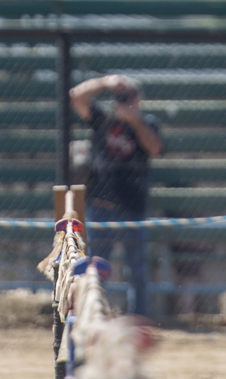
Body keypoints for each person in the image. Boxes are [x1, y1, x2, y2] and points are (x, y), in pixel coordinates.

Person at [70, 74, 163, 318]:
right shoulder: (104, 119)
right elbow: (75, 97)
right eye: (121, 97)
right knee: (95, 269)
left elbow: (154, 148)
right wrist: (105, 82)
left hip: (133, 206)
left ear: (139, 99)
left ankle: (138, 321)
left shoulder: (148, 123)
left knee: (137, 272)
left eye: (130, 97)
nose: (125, 101)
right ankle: (94, 317)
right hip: (101, 204)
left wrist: (135, 121)